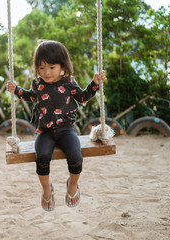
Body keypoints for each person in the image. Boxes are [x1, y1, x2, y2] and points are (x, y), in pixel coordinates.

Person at [7, 40, 107, 211]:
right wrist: (16, 90)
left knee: (75, 156)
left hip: (66, 130)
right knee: (42, 157)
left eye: (51, 67)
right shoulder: (37, 84)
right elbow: (31, 97)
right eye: (41, 68)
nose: (46, 72)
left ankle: (72, 185)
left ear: (62, 66)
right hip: (44, 131)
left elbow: (83, 97)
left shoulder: (68, 82)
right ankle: (47, 190)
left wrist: (95, 84)